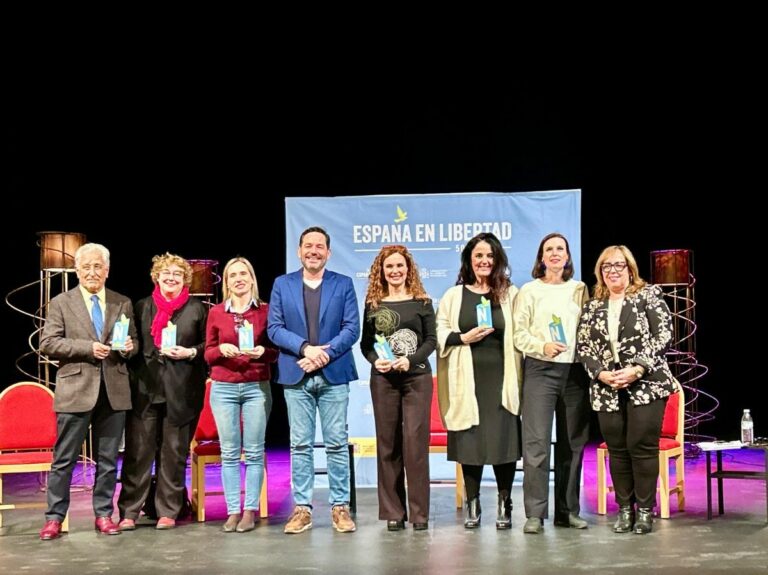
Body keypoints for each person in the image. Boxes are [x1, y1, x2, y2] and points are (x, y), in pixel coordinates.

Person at [38, 243, 138, 540]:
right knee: (64, 459)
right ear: (77, 271)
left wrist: (131, 348)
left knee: (108, 460)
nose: (92, 272)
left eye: (98, 267)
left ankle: (104, 514)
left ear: (107, 271)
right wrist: (87, 348)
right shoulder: (61, 302)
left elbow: (132, 341)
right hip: (76, 389)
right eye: (86, 267)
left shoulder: (122, 302)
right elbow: (49, 343)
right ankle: (55, 517)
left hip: (114, 389)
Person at [576, 245, 678, 535]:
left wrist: (637, 368)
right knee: (618, 451)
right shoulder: (593, 306)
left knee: (641, 447)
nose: (613, 271)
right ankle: (624, 510)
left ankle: (645, 510)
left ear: (630, 268)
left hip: (646, 383)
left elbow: (664, 335)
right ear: (600, 272)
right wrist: (601, 373)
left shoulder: (648, 296)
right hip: (607, 386)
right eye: (606, 266)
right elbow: (583, 347)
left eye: (618, 265)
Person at [267, 226, 360, 535]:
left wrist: (324, 354)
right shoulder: (282, 284)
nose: (314, 251)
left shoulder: (343, 284)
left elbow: (351, 329)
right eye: (308, 246)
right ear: (299, 251)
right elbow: (275, 328)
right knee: (300, 445)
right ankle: (302, 509)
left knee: (335, 443)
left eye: (320, 246)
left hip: (334, 375)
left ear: (328, 253)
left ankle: (340, 508)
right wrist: (306, 349)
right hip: (296, 373)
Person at [435, 232, 523, 530]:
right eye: (478, 256)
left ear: (497, 260)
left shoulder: (511, 293)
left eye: (489, 256)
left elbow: (523, 331)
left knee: (503, 442)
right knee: (470, 441)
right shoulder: (454, 295)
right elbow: (438, 332)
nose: (484, 261)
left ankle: (504, 501)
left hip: (502, 379)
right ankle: (472, 503)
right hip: (466, 380)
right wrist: (462, 338)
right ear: (469, 261)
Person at [117, 253, 208, 531]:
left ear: (185, 280)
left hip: (182, 393)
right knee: (138, 453)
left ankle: (168, 509)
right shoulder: (142, 306)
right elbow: (130, 344)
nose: (171, 278)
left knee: (174, 453)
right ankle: (130, 511)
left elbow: (209, 347)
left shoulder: (197, 309)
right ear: (156, 276)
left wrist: (190, 352)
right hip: (145, 391)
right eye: (166, 273)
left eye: (177, 274)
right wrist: (126, 347)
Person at [513, 233, 590, 534]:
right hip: (540, 370)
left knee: (573, 443)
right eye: (549, 249)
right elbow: (518, 334)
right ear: (541, 258)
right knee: (536, 443)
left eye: (561, 249)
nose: (555, 253)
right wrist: (541, 347)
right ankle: (535, 513)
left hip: (575, 373)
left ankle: (568, 510)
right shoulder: (529, 291)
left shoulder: (580, 289)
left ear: (568, 256)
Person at [360, 245, 436, 532]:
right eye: (389, 267)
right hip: (383, 380)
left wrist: (410, 360)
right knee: (388, 444)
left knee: (415, 444)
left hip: (416, 378)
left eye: (399, 266)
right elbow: (366, 345)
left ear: (408, 269)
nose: (395, 271)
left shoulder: (422, 302)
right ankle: (394, 511)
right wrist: (376, 360)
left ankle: (419, 514)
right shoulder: (373, 303)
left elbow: (431, 340)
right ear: (382, 271)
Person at [204, 257, 278, 533]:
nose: (238, 279)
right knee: (230, 452)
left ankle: (250, 510)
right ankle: (233, 510)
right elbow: (207, 353)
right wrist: (221, 350)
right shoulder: (216, 313)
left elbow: (275, 350)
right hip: (223, 387)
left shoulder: (266, 311)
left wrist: (263, 353)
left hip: (256, 386)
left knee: (255, 451)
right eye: (232, 274)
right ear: (226, 281)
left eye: (243, 273)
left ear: (251, 278)